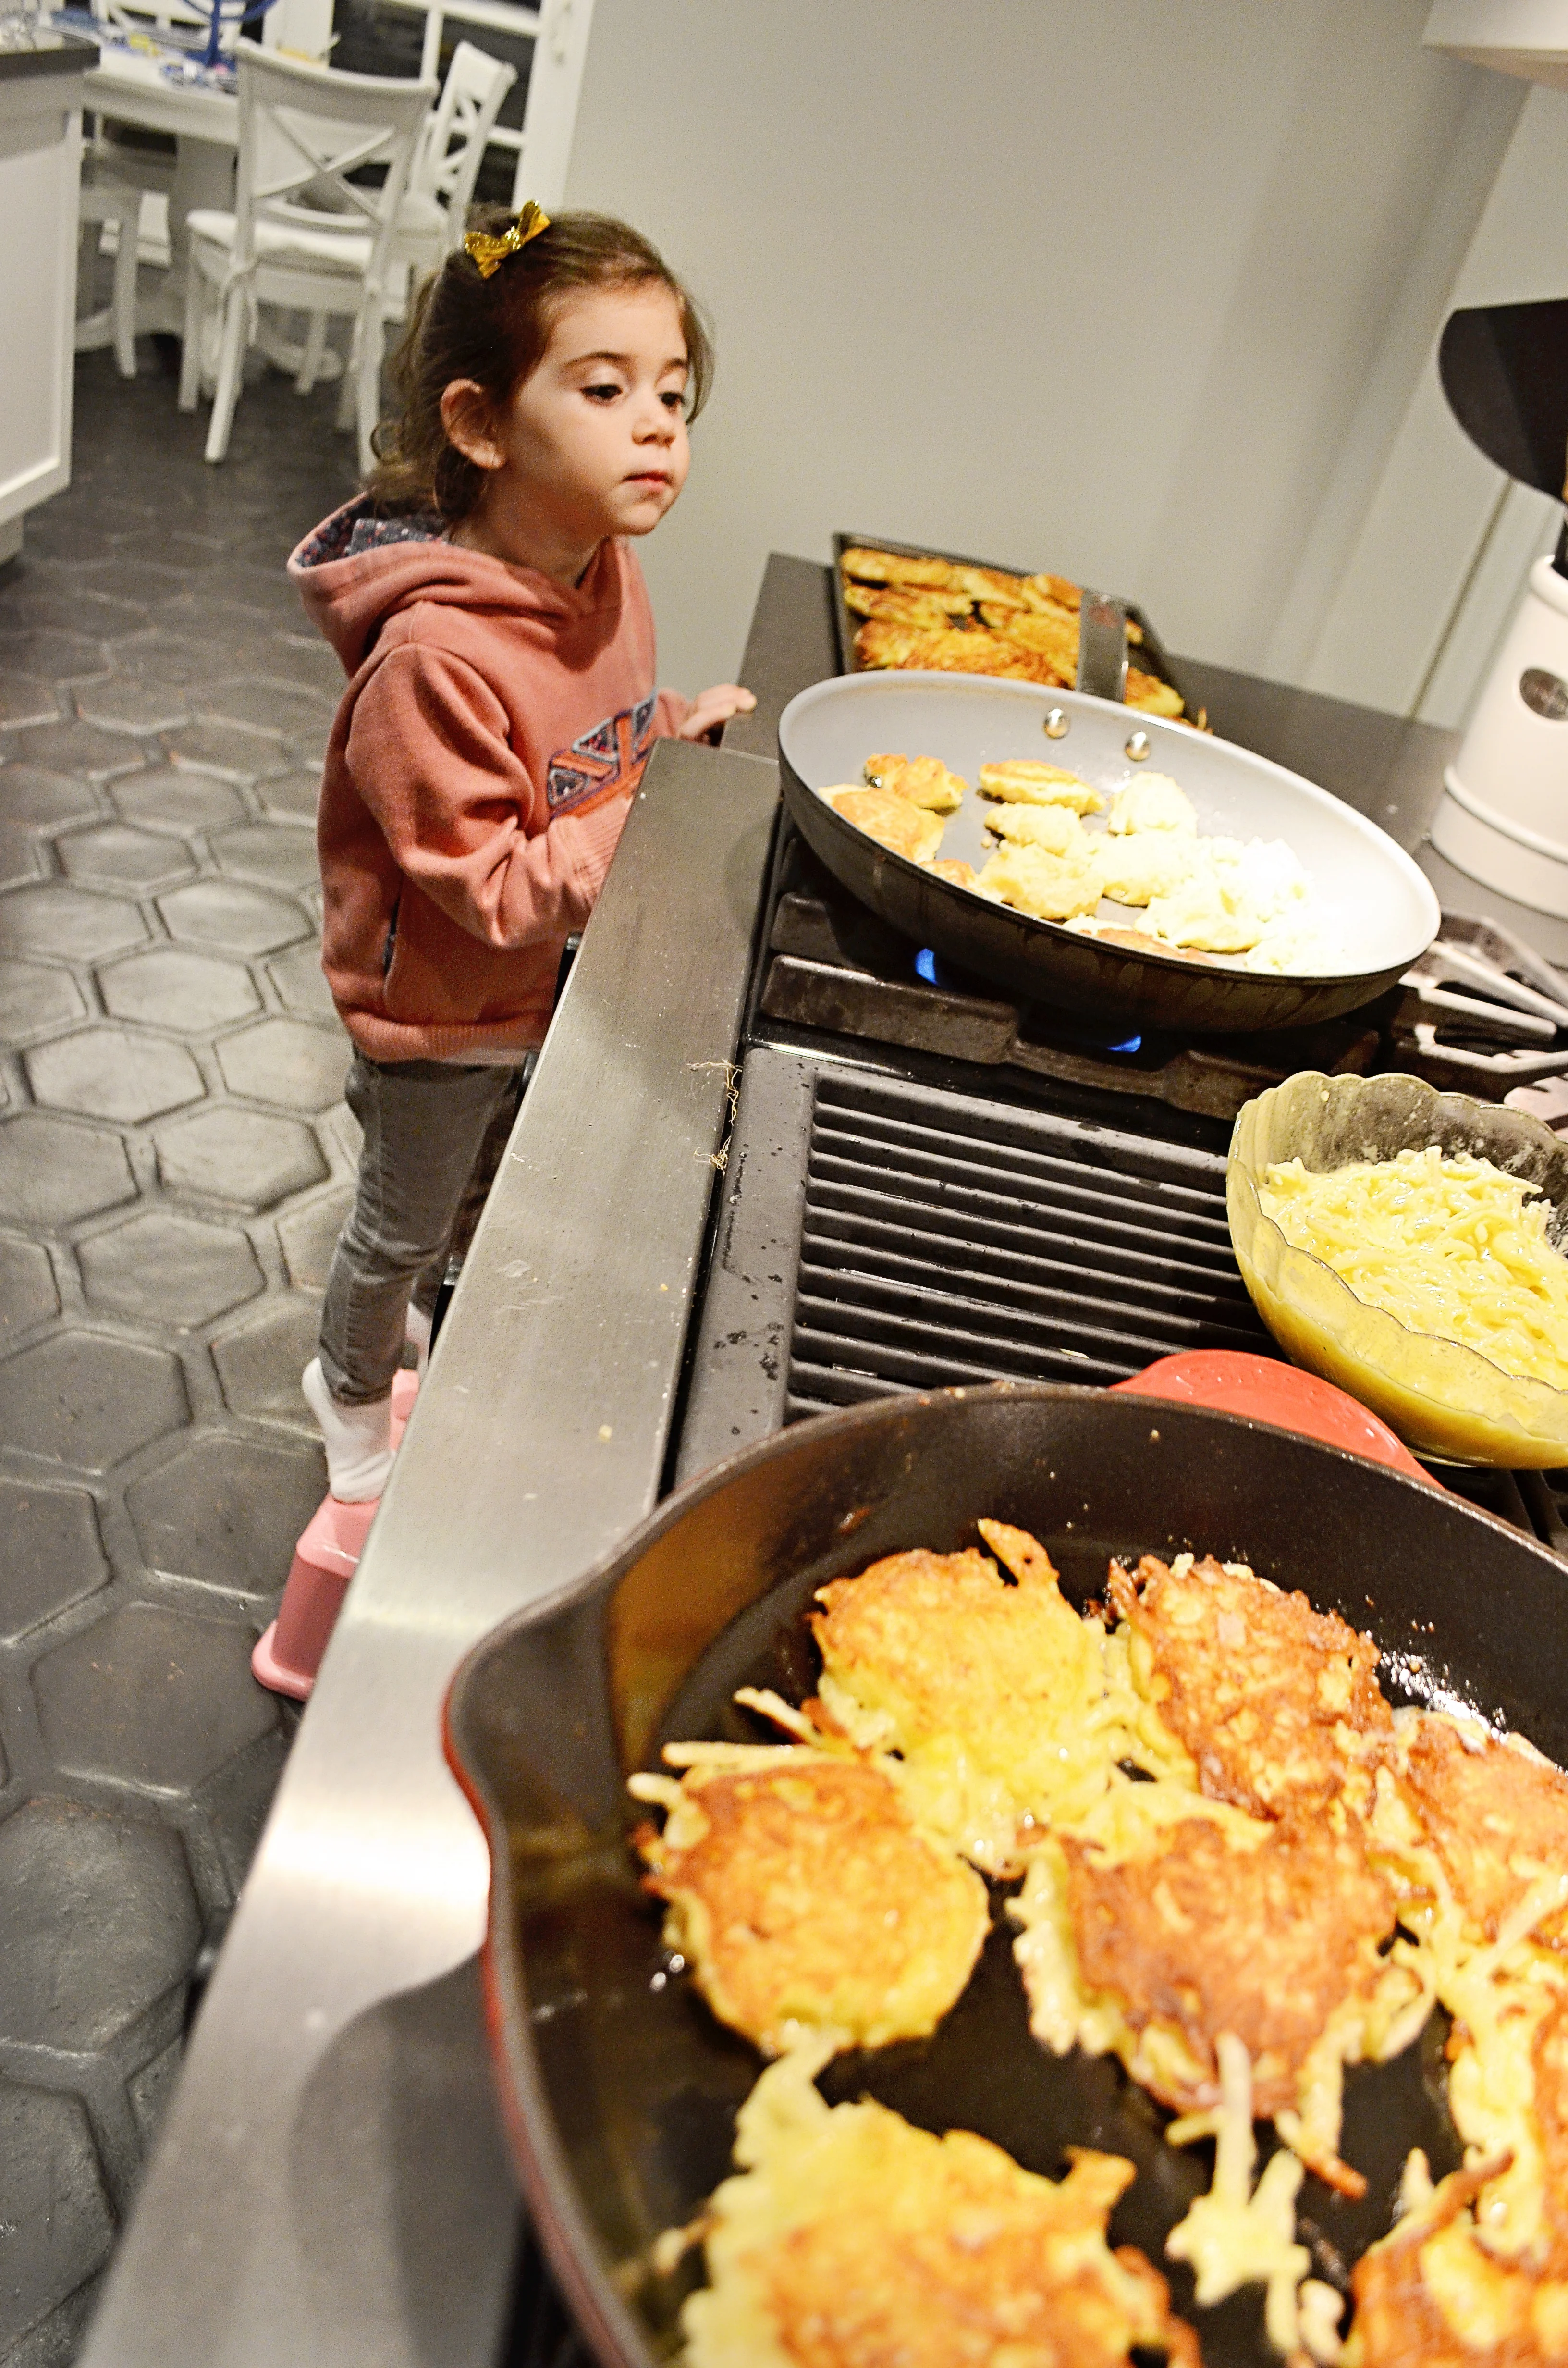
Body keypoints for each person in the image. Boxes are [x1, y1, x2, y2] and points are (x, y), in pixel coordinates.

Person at [288, 203, 754, 1500]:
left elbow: (591, 749)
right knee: (399, 1229)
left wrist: (669, 733)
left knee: (487, 1193)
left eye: (673, 391)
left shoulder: (602, 569)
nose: (658, 423)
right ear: (481, 426)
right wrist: (647, 817)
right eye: (605, 389)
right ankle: (348, 1395)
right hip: (436, 1015)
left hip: (539, 988)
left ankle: (410, 1338)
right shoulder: (431, 661)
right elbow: (491, 885)